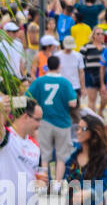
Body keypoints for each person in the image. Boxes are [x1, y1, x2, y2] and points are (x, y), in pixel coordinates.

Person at [25, 55, 79, 185]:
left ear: (47, 66)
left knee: (44, 155)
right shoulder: (65, 82)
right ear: (59, 66)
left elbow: (28, 96)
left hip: (44, 121)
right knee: (61, 156)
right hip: (62, 122)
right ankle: (58, 184)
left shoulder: (39, 81)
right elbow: (72, 103)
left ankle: (44, 183)